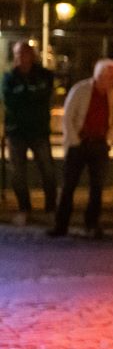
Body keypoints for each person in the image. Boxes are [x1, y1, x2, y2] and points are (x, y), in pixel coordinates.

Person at [49, 59, 113, 238]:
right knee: (69, 186)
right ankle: (61, 224)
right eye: (109, 77)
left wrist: (108, 139)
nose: (111, 81)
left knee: (97, 187)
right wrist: (74, 140)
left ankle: (91, 224)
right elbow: (69, 116)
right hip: (80, 143)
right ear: (99, 76)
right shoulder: (81, 90)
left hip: (99, 144)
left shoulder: (111, 94)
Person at [3, 41, 56, 226]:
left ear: (32, 55)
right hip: (16, 132)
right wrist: (30, 95)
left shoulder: (45, 75)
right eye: (17, 53)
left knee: (47, 170)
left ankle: (51, 209)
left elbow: (44, 98)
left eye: (24, 53)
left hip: (39, 131)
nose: (21, 57)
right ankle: (24, 208)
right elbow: (11, 102)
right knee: (18, 173)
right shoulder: (9, 77)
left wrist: (25, 95)